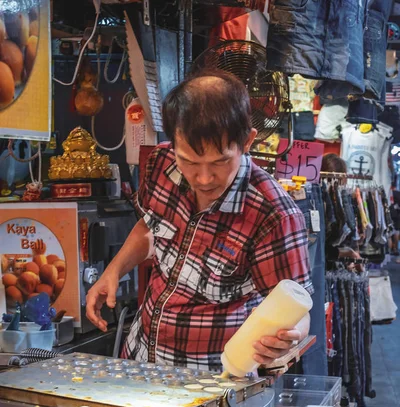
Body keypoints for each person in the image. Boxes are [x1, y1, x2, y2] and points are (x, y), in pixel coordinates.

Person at [86, 70, 313, 371]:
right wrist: (114, 270)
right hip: (141, 361)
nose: (203, 178)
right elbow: (150, 225)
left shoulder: (273, 215)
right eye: (190, 161)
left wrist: (289, 339)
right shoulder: (160, 162)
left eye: (220, 162)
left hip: (214, 380)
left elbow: (298, 308)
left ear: (247, 141)